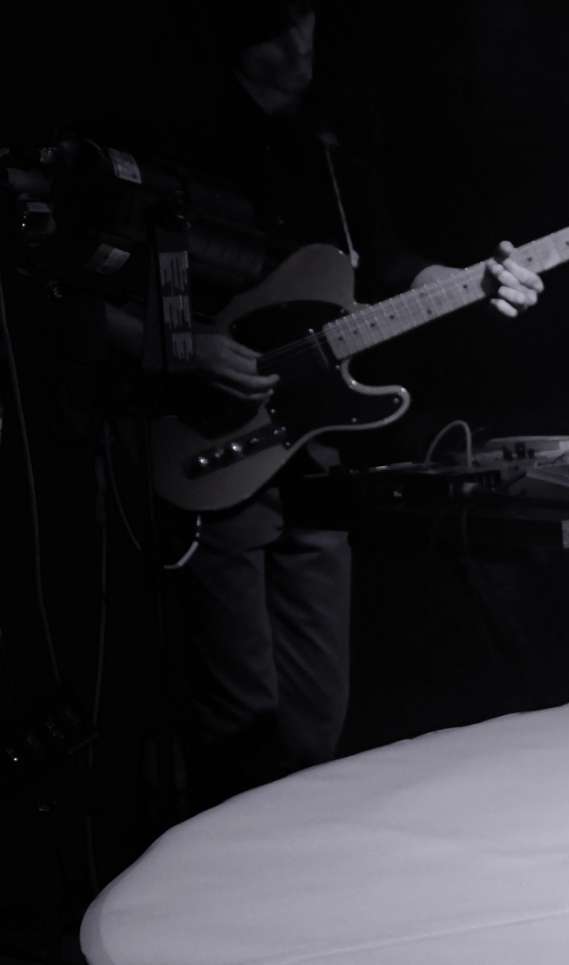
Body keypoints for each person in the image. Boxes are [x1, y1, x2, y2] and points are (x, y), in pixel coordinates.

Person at [96, 1, 546, 812]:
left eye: (306, 19)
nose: (300, 44)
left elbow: (384, 267)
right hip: (209, 438)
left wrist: (468, 281)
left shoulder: (330, 147)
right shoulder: (168, 137)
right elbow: (83, 298)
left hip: (317, 450)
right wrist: (188, 348)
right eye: (276, 26)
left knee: (317, 717)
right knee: (240, 716)